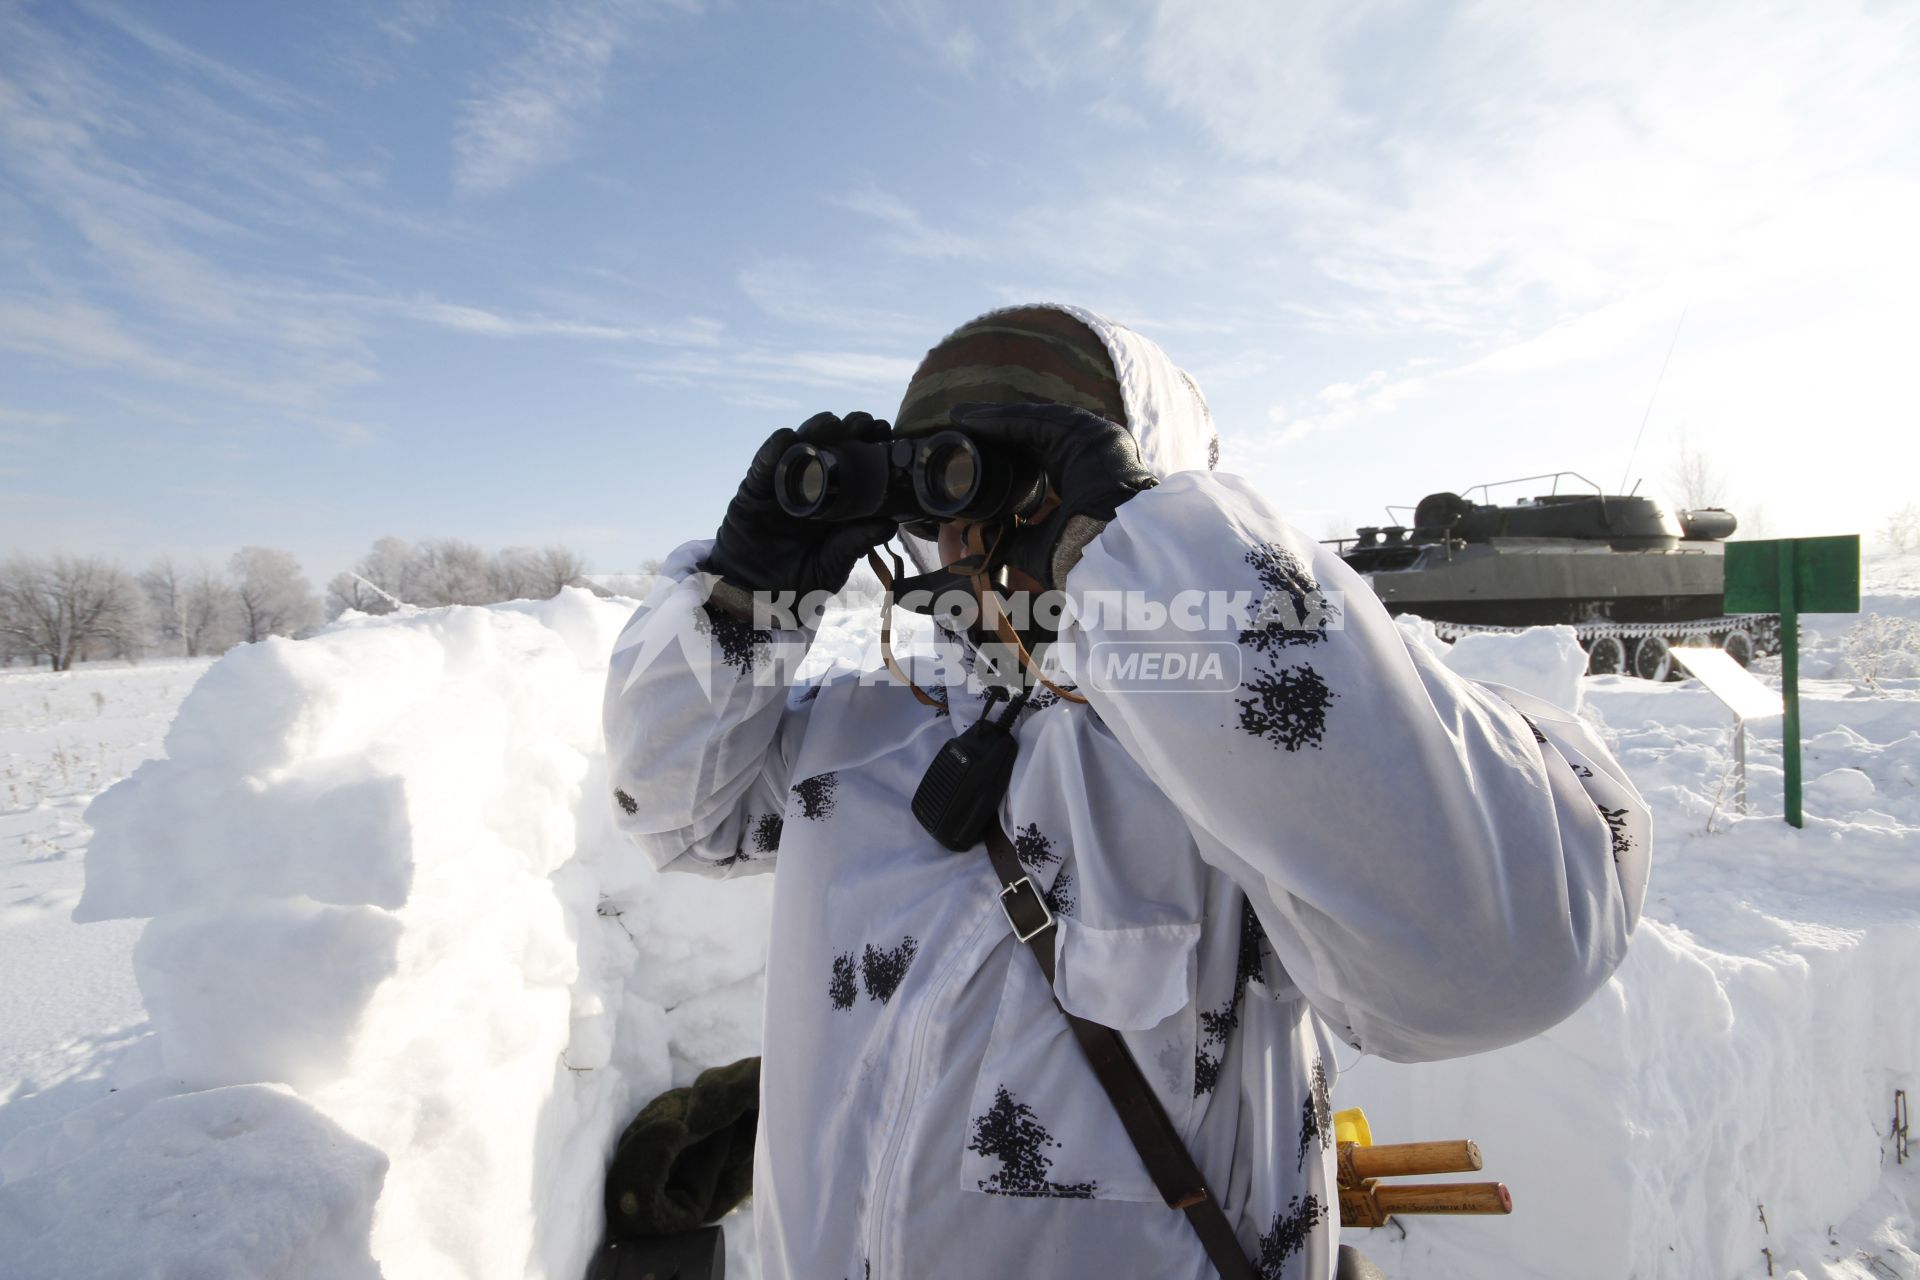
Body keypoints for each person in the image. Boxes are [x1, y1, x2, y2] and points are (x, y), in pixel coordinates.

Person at [603, 305, 1650, 1280]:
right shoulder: (870, 729)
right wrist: (740, 593)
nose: (970, 537)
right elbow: (674, 805)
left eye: (1018, 484)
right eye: (944, 486)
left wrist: (1147, 550)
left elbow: (1495, 947)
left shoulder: (1254, 747)